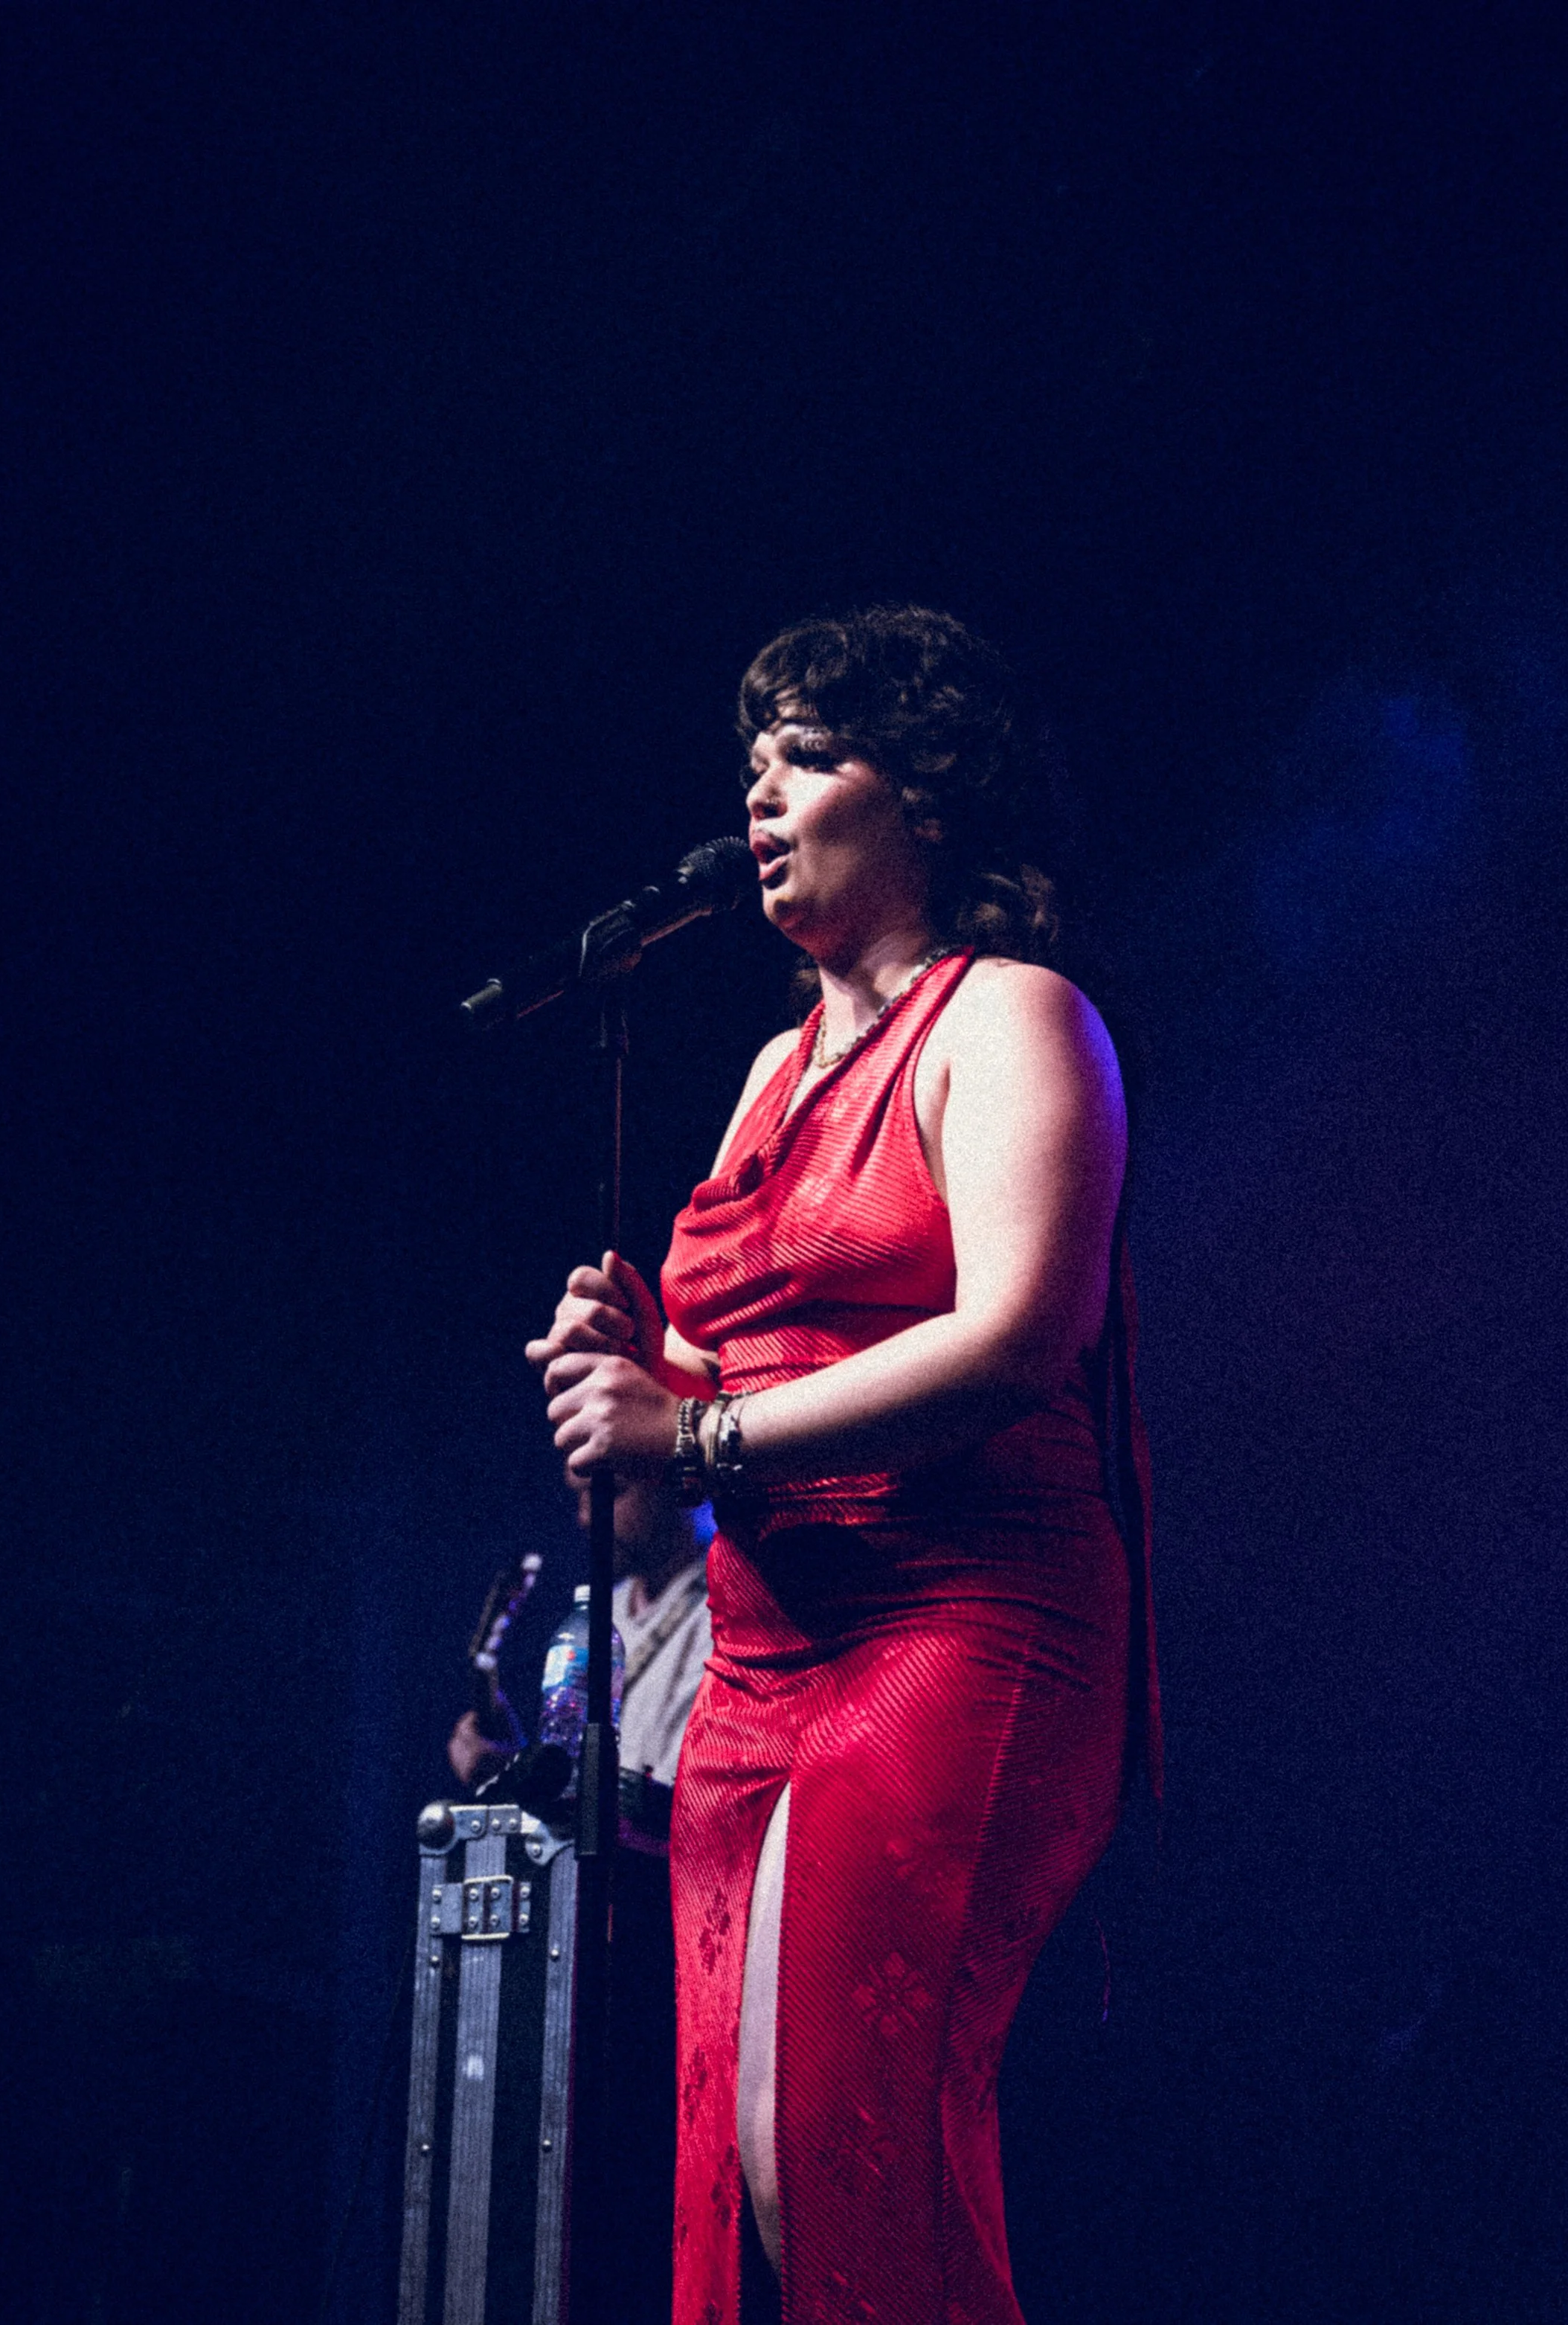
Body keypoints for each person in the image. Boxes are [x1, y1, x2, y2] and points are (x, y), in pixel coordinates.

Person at [526, 605, 1161, 2325]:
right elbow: (685, 1429)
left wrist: (691, 1425)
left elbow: (1020, 1331)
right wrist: (628, 1375)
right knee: (739, 2178)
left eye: (807, 754)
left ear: (927, 796)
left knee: (832, 2138)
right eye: (752, 760)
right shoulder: (766, 1071)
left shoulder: (1011, 1017)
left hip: (961, 1619)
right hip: (758, 1661)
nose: (759, 791)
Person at [447, 1476, 712, 1792]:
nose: (586, 1517)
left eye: (610, 1492)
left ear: (683, 1487)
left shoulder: (726, 1611)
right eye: (581, 1495)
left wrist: (523, 1781)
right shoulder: (604, 1610)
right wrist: (521, 1771)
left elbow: (682, 1800)